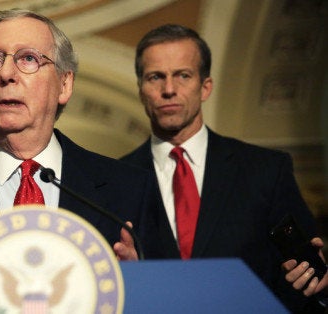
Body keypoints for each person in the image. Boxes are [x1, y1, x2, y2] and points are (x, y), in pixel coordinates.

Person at [0, 9, 162, 265]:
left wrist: (141, 281)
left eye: (28, 59)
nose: (6, 74)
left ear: (64, 84)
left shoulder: (130, 189)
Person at [119, 24, 327, 312]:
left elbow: (307, 276)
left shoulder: (266, 170)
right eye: (156, 77)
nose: (169, 89)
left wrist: (315, 275)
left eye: (183, 75)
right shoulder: (117, 179)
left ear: (205, 87)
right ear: (141, 89)